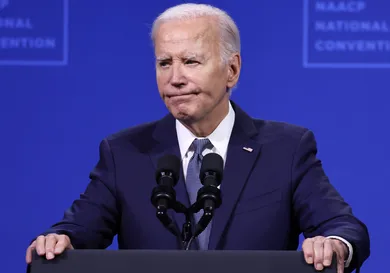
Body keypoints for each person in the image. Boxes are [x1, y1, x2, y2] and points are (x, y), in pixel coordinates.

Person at [25, 3, 370, 273]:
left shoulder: (286, 148)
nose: (175, 78)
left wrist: (334, 244)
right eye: (164, 63)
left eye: (190, 61)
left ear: (232, 70)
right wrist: (60, 241)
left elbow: (342, 226)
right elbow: (78, 229)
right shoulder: (124, 152)